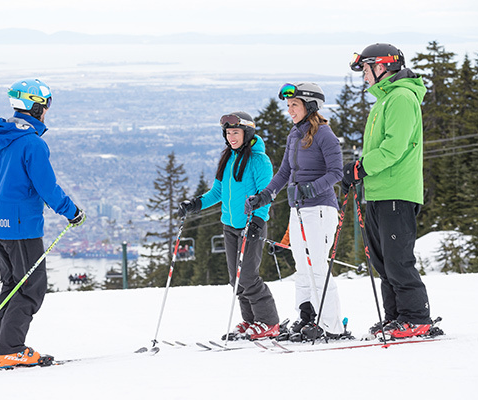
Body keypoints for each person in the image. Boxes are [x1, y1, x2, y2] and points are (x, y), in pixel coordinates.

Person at [0, 78, 86, 367]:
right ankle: (11, 348)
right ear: (37, 106)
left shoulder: (1, 137)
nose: (48, 111)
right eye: (47, 104)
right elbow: (46, 186)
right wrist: (71, 211)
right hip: (21, 227)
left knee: (12, 286)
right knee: (31, 288)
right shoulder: (32, 143)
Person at [343, 43, 432, 339]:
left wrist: (361, 167)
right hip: (379, 193)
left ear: (381, 66)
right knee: (383, 261)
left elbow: (394, 148)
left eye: (366, 70)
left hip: (397, 191)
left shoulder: (402, 98)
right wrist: (360, 170)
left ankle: (416, 317)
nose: (364, 76)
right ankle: (396, 317)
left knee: (397, 259)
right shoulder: (384, 100)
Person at [246, 83, 346, 341]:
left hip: (321, 209)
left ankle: (331, 326)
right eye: (288, 105)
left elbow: (336, 172)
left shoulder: (325, 135)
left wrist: (309, 190)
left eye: (295, 105)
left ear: (310, 106)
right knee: (301, 267)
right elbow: (284, 173)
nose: (290, 110)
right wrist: (265, 195)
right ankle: (307, 317)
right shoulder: (294, 135)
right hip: (298, 209)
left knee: (317, 267)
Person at [179, 111, 280, 340]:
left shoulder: (258, 160)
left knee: (248, 277)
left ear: (247, 132)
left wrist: (257, 219)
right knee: (236, 279)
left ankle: (269, 321)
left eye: (236, 132)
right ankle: (251, 320)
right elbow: (218, 192)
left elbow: (266, 194)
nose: (232, 137)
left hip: (250, 225)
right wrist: (196, 204)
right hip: (230, 226)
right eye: (228, 133)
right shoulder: (228, 158)